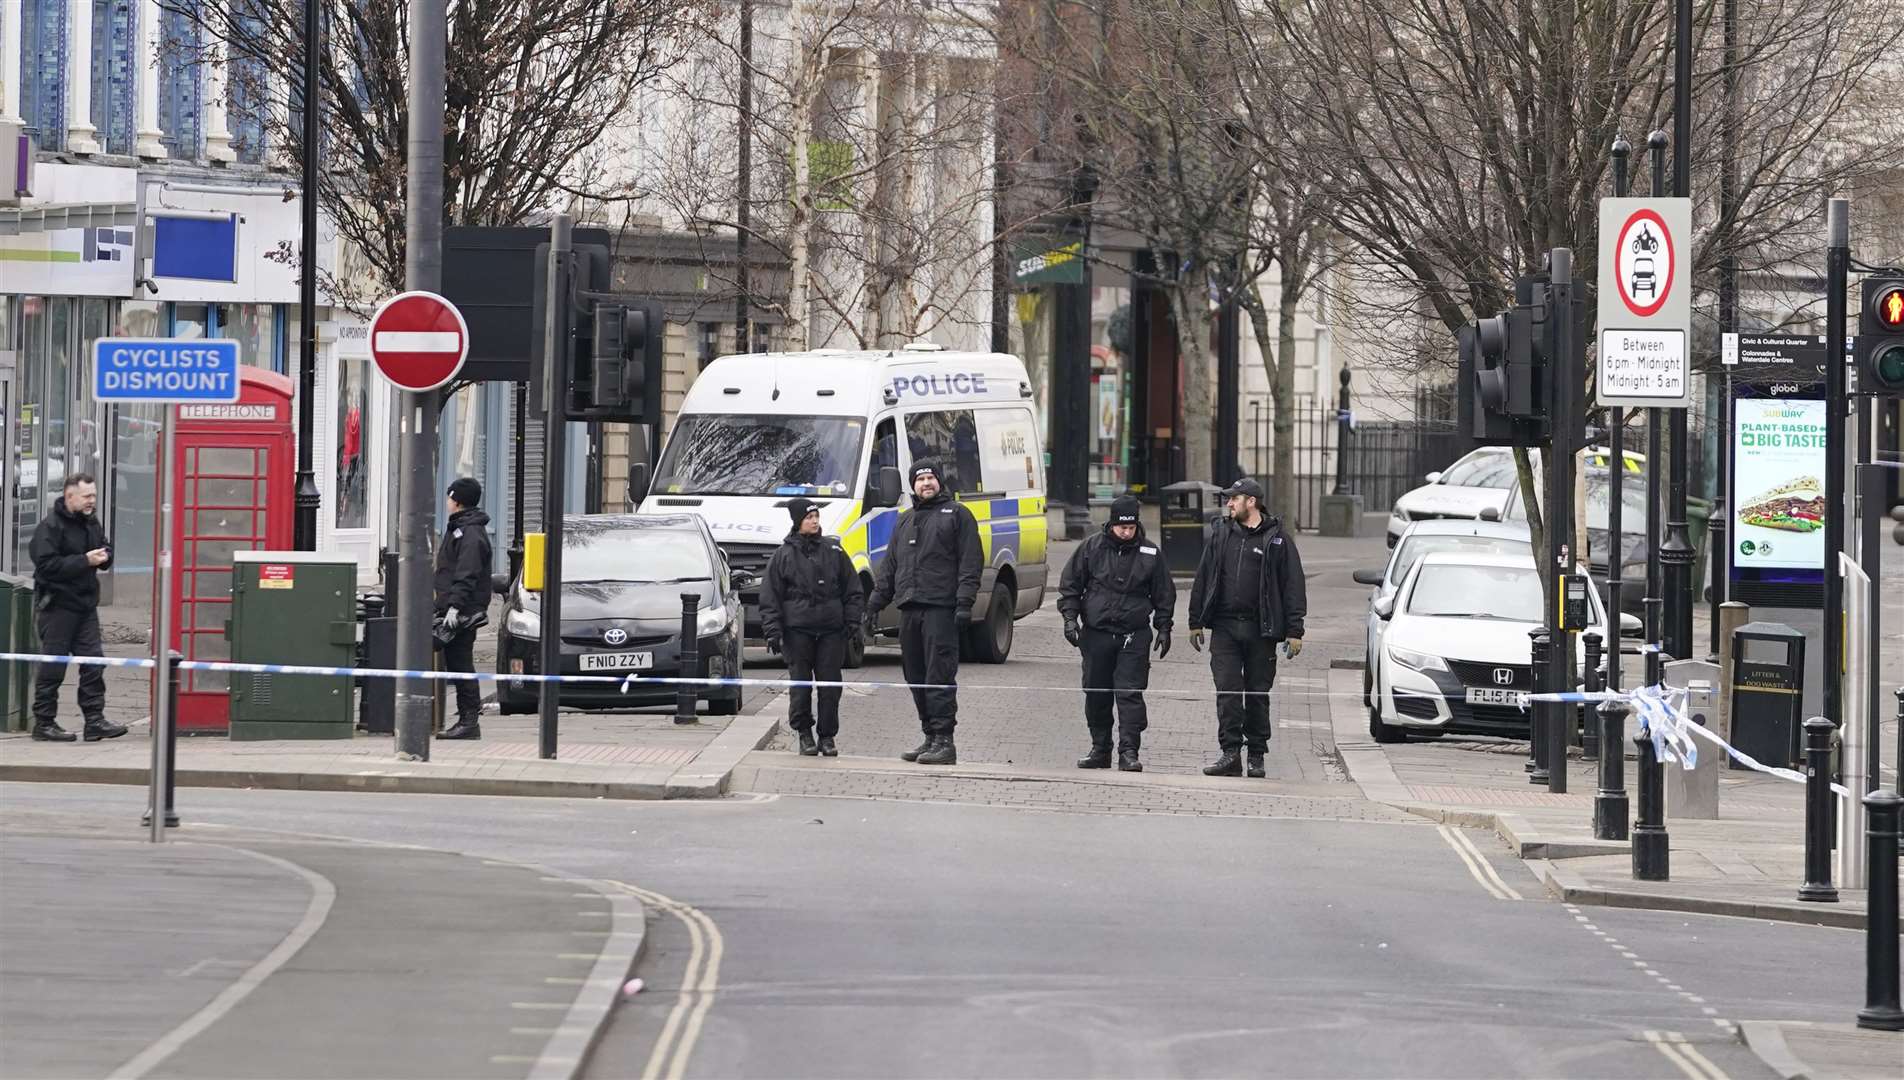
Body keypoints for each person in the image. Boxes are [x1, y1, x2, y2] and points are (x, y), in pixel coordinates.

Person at [1187, 478, 1306, 778]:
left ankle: (1256, 755)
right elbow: (1203, 577)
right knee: (1227, 692)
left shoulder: (1278, 540)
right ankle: (1230, 753)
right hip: (1225, 627)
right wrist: (1195, 620)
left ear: (1251, 501)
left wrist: (1295, 630)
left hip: (1260, 630)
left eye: (1233, 499)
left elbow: (1293, 587)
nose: (1228, 504)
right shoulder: (1220, 535)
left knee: (1256, 694)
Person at [865, 459, 981, 766]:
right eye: (920, 479)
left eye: (931, 478)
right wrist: (874, 604)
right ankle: (929, 735)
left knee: (938, 675)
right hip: (910, 609)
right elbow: (890, 567)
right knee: (915, 675)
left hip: (941, 610)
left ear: (940, 482)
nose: (926, 483)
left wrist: (965, 603)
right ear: (912, 485)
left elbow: (971, 562)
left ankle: (945, 741)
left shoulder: (958, 515)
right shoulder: (905, 520)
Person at [1058, 494, 1175, 772]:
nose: (1126, 532)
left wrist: (1164, 627)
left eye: (1131, 527)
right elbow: (1071, 585)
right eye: (1121, 527)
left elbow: (1163, 594)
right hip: (1097, 633)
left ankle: (1129, 751)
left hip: (1133, 635)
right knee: (1096, 693)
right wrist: (1070, 619)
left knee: (1130, 694)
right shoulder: (1091, 548)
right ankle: (1100, 748)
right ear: (1111, 524)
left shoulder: (1149, 553)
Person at [760, 498, 864, 757]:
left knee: (830, 686)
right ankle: (804, 733)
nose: (815, 521)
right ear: (798, 521)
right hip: (797, 632)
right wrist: (773, 631)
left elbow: (853, 589)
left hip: (831, 630)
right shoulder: (783, 555)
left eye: (816, 516)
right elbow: (770, 596)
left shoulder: (835, 551)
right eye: (809, 517)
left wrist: (853, 621)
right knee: (801, 686)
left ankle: (827, 737)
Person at [28, 474, 126, 742]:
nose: (91, 501)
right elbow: (46, 566)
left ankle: (94, 721)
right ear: (70, 496)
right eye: (86, 496)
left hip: (85, 607)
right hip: (57, 607)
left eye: (93, 495)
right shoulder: (50, 527)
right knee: (53, 667)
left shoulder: (90, 522)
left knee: (94, 662)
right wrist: (84, 560)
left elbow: (104, 547)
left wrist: (105, 555)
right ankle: (44, 723)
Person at [434, 477, 493, 740]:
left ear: (457, 501)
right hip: (453, 606)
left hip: (462, 611)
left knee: (461, 665)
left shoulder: (470, 532)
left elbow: (466, 573)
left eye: (449, 497)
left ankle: (469, 721)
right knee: (456, 665)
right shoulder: (461, 527)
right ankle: (466, 719)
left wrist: (455, 607)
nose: (446, 501)